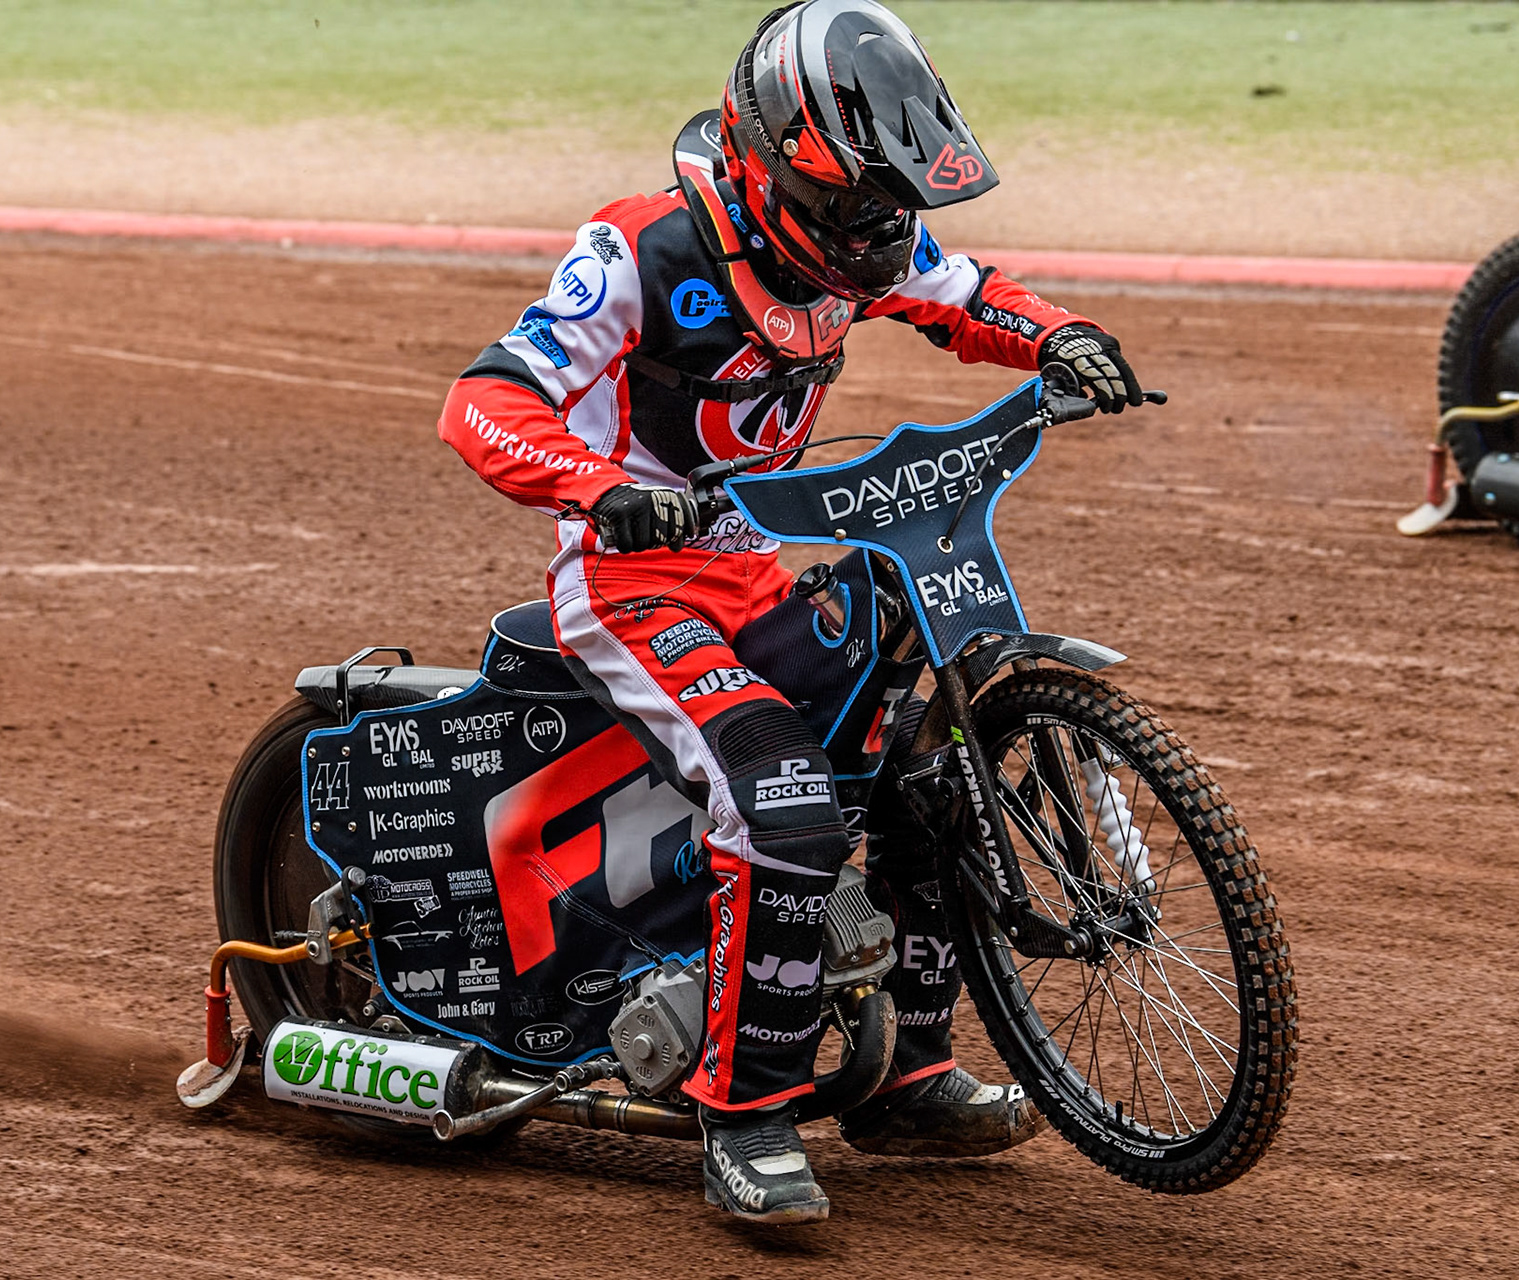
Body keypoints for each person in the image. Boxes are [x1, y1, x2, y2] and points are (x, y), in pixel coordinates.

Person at [438, 0, 1143, 1224]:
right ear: (773, 171)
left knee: (921, 734)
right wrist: (602, 490)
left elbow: (967, 290)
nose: (882, 244)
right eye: (858, 216)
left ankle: (907, 1069)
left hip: (753, 567)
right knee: (786, 800)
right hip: (627, 582)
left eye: (892, 215)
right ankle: (745, 1109)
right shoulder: (643, 249)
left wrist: (1060, 335)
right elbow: (485, 401)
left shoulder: (852, 230)